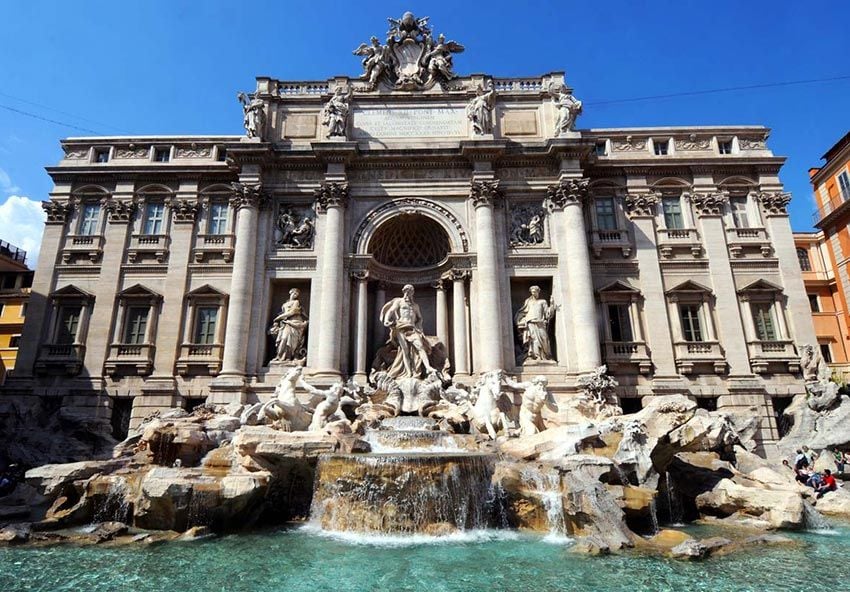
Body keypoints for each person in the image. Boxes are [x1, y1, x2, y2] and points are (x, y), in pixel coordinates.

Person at [379, 284, 435, 379]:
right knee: (405, 350)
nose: (408, 293)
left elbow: (420, 318)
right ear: (404, 292)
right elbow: (391, 311)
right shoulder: (399, 302)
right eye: (406, 291)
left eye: (410, 291)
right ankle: (409, 373)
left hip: (412, 328)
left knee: (420, 347)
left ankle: (428, 367)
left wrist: (419, 327)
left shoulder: (415, 306)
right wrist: (386, 320)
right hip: (401, 327)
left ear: (412, 293)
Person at [515, 286, 556, 362]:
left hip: (540, 322)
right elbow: (523, 312)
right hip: (530, 323)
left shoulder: (543, 301)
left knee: (544, 339)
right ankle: (535, 356)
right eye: (532, 292)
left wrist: (552, 304)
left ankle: (545, 356)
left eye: (535, 291)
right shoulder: (528, 301)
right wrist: (522, 320)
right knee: (533, 340)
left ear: (538, 292)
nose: (534, 293)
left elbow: (547, 314)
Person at [269, 289, 309, 362]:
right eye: (295, 293)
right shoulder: (284, 305)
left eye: (297, 294)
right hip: (285, 324)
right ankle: (279, 356)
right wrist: (277, 322)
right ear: (290, 293)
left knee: (291, 341)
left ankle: (288, 357)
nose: (296, 295)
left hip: (295, 322)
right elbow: (283, 313)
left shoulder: (296, 302)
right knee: (283, 339)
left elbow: (292, 312)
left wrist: (278, 318)